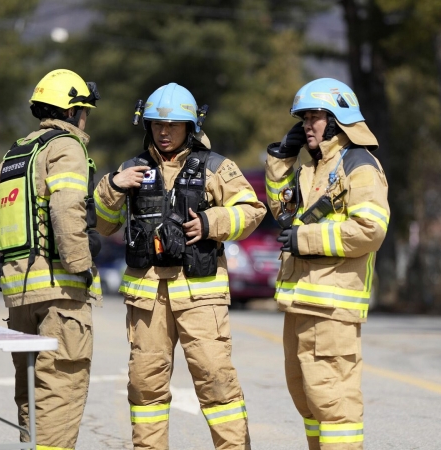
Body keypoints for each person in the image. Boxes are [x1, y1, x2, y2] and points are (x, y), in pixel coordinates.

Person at [94, 83, 265, 449]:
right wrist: (113, 186)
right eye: (157, 124)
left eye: (173, 125)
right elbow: (104, 225)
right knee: (145, 386)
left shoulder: (216, 167)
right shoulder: (130, 170)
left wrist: (209, 222)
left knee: (217, 382)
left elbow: (252, 211)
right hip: (147, 299)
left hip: (200, 296)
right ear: (147, 126)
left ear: (191, 127)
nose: (164, 132)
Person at [264, 78, 389, 450]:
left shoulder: (360, 165)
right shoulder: (312, 168)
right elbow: (281, 211)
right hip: (301, 302)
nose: (307, 125)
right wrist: (281, 158)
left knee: (334, 406)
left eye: (314, 116)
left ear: (337, 119)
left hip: (333, 307)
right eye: (303, 118)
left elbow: (370, 230)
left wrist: (305, 240)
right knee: (307, 401)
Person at [0, 68, 102, 450]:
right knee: (60, 392)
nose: (85, 120)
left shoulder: (15, 154)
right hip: (59, 293)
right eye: (84, 111)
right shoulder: (66, 147)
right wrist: (82, 265)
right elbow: (66, 209)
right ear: (72, 112)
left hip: (19, 294)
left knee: (30, 392)